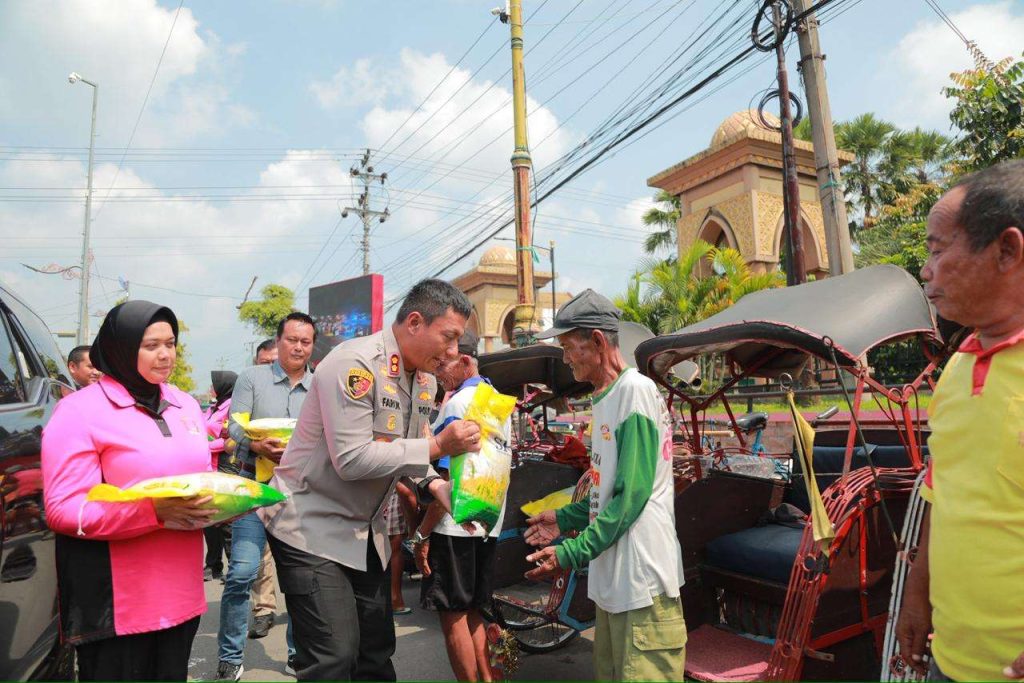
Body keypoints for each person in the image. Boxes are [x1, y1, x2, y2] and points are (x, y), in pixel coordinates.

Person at [260, 279, 483, 681]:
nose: (453, 352)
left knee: (376, 654)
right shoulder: (355, 364)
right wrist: (438, 447)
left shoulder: (426, 380)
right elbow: (352, 459)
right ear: (415, 322)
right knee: (334, 657)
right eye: (448, 338)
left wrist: (440, 489)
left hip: (366, 533)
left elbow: (410, 452)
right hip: (311, 526)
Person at [895, 160, 1024, 682]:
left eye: (937, 248)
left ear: (1007, 251)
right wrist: (916, 600)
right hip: (948, 662)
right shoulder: (957, 370)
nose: (926, 269)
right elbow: (940, 498)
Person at [40, 301, 216, 681]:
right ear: (121, 347)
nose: (165, 354)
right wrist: (152, 513)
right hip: (117, 604)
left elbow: (202, 477)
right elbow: (63, 509)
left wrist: (227, 503)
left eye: (171, 343)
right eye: (151, 345)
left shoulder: (184, 404)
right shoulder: (79, 411)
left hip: (181, 594)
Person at [524, 289, 686, 682]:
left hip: (642, 578)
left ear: (597, 342)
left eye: (568, 347)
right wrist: (562, 518)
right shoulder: (607, 398)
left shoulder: (634, 392)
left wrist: (570, 552)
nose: (565, 358)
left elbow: (630, 497)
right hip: (615, 579)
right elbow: (606, 491)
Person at [215, 314, 315, 681]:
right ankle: (229, 656)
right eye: (292, 340)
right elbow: (235, 424)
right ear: (279, 342)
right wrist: (255, 444)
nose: (298, 347)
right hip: (253, 490)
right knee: (242, 573)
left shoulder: (319, 384)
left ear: (312, 345)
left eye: (305, 342)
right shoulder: (252, 378)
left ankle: (296, 653)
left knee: (298, 580)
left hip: (299, 495)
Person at [412, 330, 509, 682]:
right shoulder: (497, 400)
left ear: (465, 361)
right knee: (473, 612)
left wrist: (421, 534)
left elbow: (446, 481)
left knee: (452, 614)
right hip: (486, 521)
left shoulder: (456, 405)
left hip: (454, 524)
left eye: (444, 364)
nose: (439, 372)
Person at [203, 370, 238, 581]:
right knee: (209, 519)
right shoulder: (213, 407)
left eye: (213, 384)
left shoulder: (234, 406)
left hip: (226, 466)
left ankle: (233, 566)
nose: (210, 388)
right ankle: (212, 564)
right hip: (208, 468)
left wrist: (204, 445)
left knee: (226, 520)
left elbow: (231, 441)